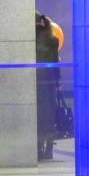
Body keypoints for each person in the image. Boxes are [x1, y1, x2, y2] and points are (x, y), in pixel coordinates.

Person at [36, 12, 60, 161]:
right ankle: (49, 149)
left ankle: (39, 149)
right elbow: (55, 63)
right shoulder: (54, 40)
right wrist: (58, 82)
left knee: (38, 117)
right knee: (49, 117)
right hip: (50, 82)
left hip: (37, 83)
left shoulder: (33, 41)